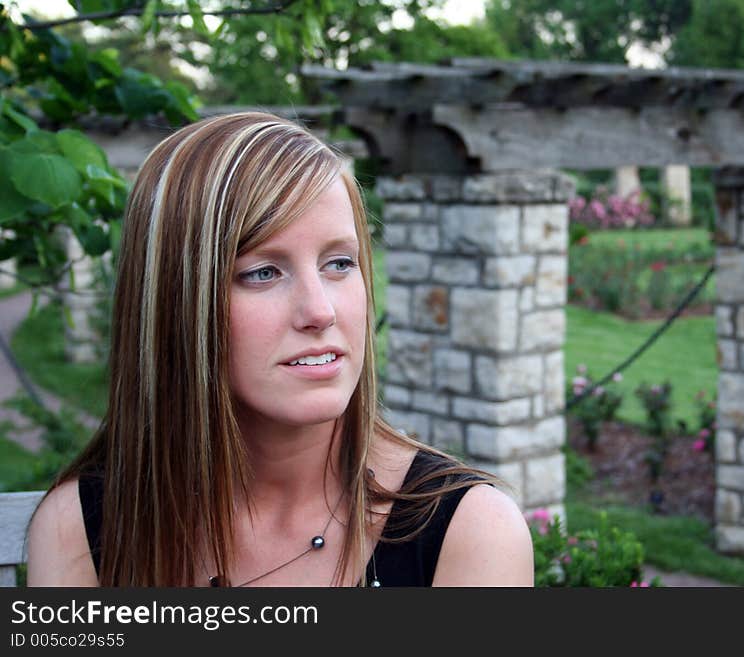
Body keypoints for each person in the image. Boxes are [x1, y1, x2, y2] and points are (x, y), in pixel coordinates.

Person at [25, 112, 533, 587]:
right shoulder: (81, 530)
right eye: (262, 272)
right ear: (176, 303)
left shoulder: (469, 531)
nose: (320, 311)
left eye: (339, 263)